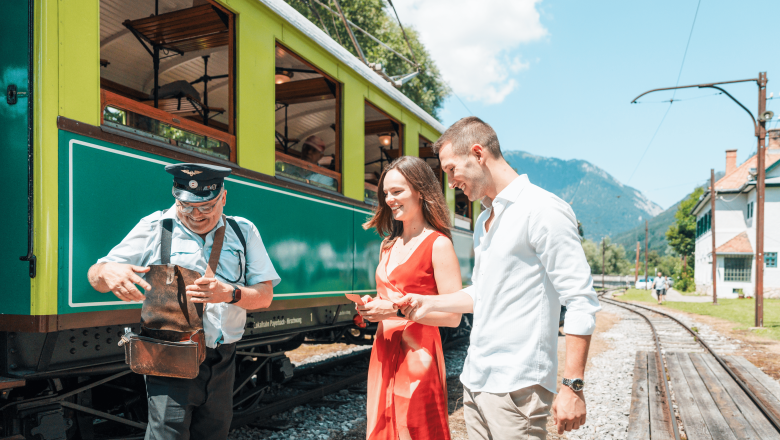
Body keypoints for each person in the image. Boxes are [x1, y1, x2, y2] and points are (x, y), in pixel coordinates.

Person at [397, 117, 601, 439]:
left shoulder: (542, 209)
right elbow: (481, 294)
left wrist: (572, 386)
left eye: (451, 169)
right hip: (476, 381)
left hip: (518, 386)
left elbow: (580, 301)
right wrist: (426, 302)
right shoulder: (485, 220)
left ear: (478, 154)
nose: (450, 182)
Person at [87, 163, 280, 440]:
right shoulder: (155, 226)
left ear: (223, 197)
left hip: (222, 359)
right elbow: (96, 276)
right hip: (169, 358)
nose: (195, 215)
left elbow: (265, 297)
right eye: (185, 206)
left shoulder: (244, 231)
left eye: (206, 206)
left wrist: (230, 294)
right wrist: (106, 271)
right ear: (175, 196)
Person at [357, 156, 463, 440]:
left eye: (397, 191)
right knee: (382, 428)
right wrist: (370, 307)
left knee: (413, 431)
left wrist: (392, 311)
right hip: (383, 349)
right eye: (386, 193)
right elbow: (388, 298)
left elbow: (453, 317)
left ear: (420, 191)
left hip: (418, 356)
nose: (389, 199)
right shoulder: (387, 245)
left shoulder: (438, 244)